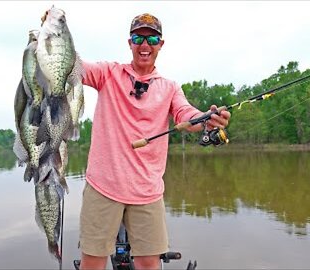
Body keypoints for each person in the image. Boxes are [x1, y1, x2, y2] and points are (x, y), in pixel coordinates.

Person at [78, 13, 231, 269]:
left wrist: (206, 119)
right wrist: (50, 38)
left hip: (147, 191)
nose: (145, 45)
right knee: (92, 261)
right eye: (138, 38)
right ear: (130, 43)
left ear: (161, 44)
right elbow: (74, 68)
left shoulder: (169, 87)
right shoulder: (109, 73)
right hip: (103, 186)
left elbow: (186, 114)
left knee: (149, 263)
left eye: (152, 38)